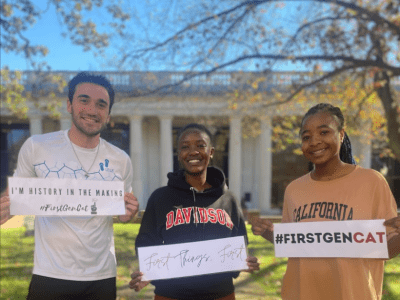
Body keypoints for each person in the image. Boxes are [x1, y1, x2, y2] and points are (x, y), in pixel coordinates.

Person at [0, 72, 139, 300]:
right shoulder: (37, 146)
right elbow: (16, 194)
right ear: (69, 105)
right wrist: (5, 206)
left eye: (101, 105)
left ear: (108, 114)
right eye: (84, 100)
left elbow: (124, 209)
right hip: (49, 274)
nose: (92, 110)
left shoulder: (121, 159)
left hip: (101, 276)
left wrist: (129, 214)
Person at [251, 103, 400, 300]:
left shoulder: (372, 182)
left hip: (354, 294)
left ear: (341, 134)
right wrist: (268, 232)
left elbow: (387, 248)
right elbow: (296, 245)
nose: (314, 141)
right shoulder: (294, 190)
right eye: (306, 137)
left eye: (324, 132)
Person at [129, 123, 259, 300]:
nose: (193, 151)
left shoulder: (229, 199)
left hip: (220, 293)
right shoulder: (160, 198)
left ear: (211, 152)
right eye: (185, 147)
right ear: (179, 154)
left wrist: (242, 262)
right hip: (171, 294)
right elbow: (146, 241)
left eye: (200, 145)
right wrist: (148, 271)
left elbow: (240, 241)